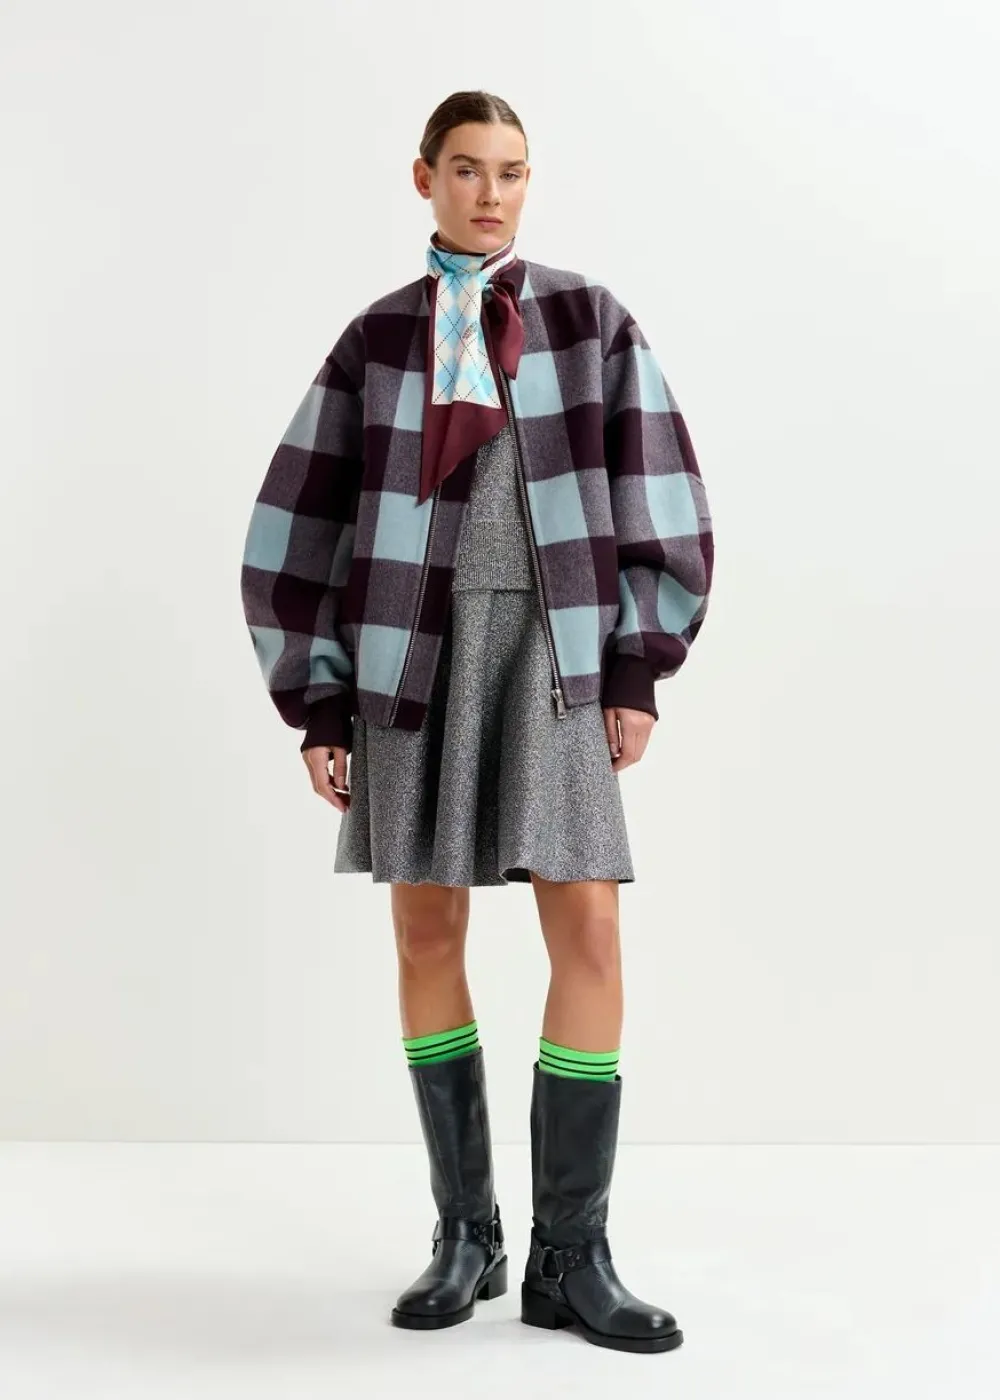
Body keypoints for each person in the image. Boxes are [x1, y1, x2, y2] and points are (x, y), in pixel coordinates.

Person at [240, 89, 714, 1354]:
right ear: (424, 179)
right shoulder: (377, 340)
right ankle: (467, 1232)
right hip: (413, 652)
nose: (489, 192)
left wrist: (632, 667)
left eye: (509, 170)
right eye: (465, 169)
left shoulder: (588, 319)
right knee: (425, 923)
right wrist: (319, 695)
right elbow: (297, 521)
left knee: (589, 922)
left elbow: (660, 485)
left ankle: (571, 1253)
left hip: (554, 653)